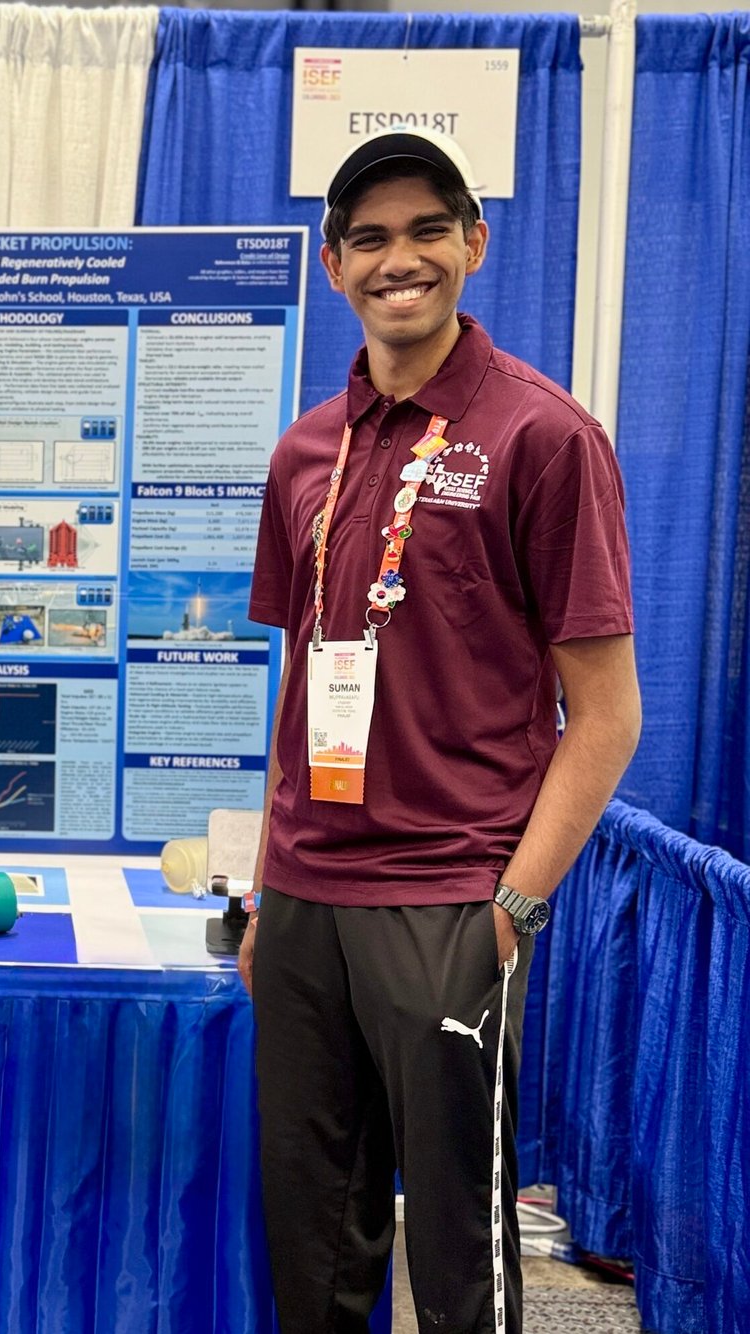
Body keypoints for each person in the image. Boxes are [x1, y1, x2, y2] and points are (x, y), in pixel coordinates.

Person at [239, 129, 641, 1333]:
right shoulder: (305, 450)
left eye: (426, 230)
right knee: (311, 1239)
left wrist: (509, 907)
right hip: (307, 900)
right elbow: (303, 678)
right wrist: (266, 884)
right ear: (332, 266)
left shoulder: (543, 437)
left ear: (475, 243)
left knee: (462, 1252)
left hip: (449, 898)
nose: (397, 258)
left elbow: (606, 714)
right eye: (368, 238)